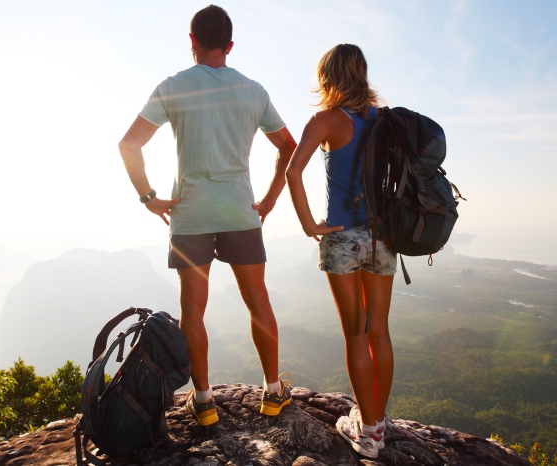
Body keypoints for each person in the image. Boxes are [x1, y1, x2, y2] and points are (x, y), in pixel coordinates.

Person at [118, 5, 297, 426]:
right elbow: (288, 146)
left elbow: (129, 145)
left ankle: (203, 402)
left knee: (192, 311)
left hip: (190, 215)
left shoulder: (174, 86)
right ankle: (273, 393)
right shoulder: (254, 91)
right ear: (230, 46)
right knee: (259, 303)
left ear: (192, 42)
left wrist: (149, 197)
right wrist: (270, 199)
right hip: (240, 211)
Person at [285, 43, 395, 458]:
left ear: (328, 76)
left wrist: (308, 223)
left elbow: (293, 170)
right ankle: (378, 424)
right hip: (383, 236)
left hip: (342, 235)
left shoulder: (327, 120)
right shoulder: (385, 120)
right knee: (380, 332)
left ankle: (367, 434)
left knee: (356, 332)